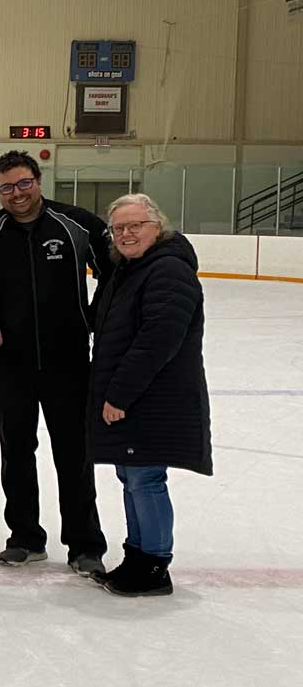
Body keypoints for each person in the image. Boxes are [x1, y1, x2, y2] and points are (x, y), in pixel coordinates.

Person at [0, 150, 109, 575]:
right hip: (11, 365)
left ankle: (84, 545)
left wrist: (91, 318)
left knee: (74, 453)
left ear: (38, 180)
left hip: (70, 363)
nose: (17, 194)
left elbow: (115, 275)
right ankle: (24, 537)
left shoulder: (77, 225)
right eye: (7, 188)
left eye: (24, 183)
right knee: (17, 452)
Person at [89, 194, 211, 597]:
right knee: (132, 474)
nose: (125, 234)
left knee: (145, 479)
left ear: (157, 228)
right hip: (141, 396)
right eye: (118, 228)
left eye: (135, 226)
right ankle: (138, 556)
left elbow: (158, 340)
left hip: (154, 397)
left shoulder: (168, 271)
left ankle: (155, 564)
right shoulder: (132, 270)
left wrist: (119, 394)